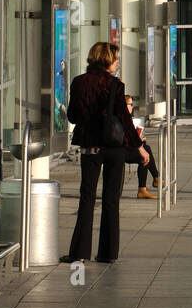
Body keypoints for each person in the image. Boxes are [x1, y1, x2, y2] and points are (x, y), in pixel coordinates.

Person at [61, 41, 147, 264]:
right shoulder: (116, 85)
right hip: (114, 147)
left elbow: (72, 116)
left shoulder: (79, 82)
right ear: (107, 60)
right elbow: (125, 121)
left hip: (91, 147)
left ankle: (79, 252)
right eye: (115, 59)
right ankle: (108, 253)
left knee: (87, 198)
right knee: (111, 199)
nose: (117, 63)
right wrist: (139, 146)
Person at [124, 93, 160, 197]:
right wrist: (138, 141)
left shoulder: (127, 118)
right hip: (121, 150)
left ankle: (149, 184)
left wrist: (139, 139)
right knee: (144, 155)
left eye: (132, 104)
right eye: (130, 104)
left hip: (126, 148)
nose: (132, 107)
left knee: (145, 149)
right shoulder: (123, 119)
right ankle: (150, 183)